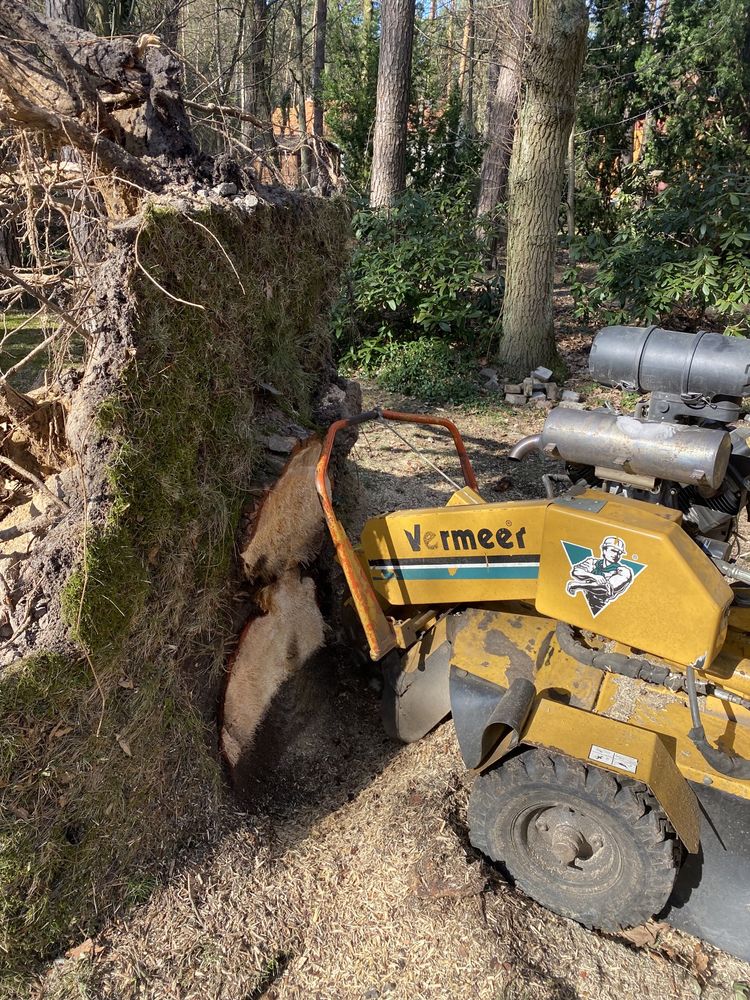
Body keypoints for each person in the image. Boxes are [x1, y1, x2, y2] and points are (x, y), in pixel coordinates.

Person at [566, 536, 634, 614]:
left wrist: (577, 585)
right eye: (613, 550)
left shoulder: (624, 571)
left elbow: (605, 588)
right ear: (604, 550)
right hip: (579, 606)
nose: (616, 555)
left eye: (619, 553)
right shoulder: (592, 562)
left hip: (603, 609)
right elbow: (576, 571)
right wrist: (594, 576)